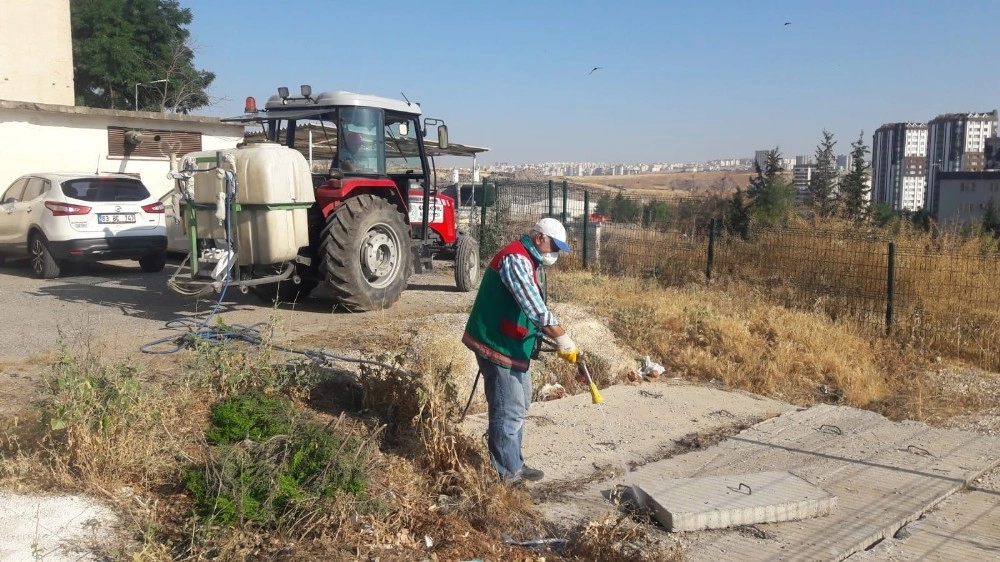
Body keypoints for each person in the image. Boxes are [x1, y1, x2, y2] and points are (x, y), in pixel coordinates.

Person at [462, 217, 579, 484]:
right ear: (540, 238)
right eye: (555, 247)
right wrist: (562, 338)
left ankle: (514, 462)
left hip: (513, 345)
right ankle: (507, 476)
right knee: (508, 410)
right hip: (496, 342)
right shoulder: (515, 259)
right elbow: (535, 308)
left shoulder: (530, 259)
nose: (556, 254)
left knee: (520, 404)